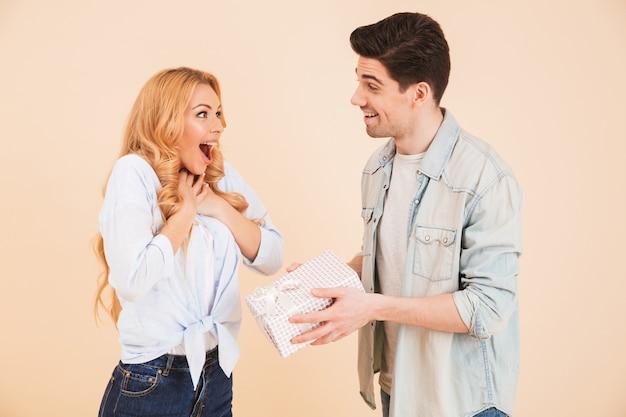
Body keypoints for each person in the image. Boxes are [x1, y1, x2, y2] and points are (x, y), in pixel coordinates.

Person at [289, 12, 522, 417]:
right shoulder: (377, 168)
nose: (356, 97)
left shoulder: (484, 177)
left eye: (371, 85)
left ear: (418, 93)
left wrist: (372, 306)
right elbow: (392, 258)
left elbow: (487, 307)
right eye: (359, 81)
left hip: (460, 402)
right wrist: (329, 280)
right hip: (397, 391)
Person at [94, 67, 284, 417]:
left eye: (218, 113)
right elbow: (132, 282)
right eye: (202, 114)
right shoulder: (133, 173)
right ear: (166, 122)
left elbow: (272, 256)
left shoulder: (219, 176)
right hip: (153, 378)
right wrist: (184, 214)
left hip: (216, 373)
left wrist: (215, 206)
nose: (219, 126)